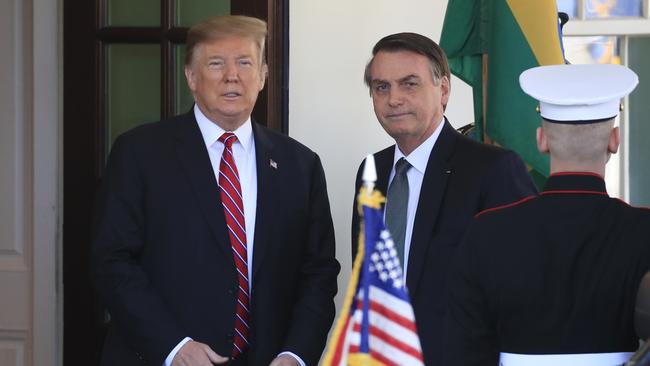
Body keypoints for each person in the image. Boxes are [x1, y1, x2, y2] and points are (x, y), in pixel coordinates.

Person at [93, 15, 339, 366]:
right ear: (191, 77)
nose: (232, 76)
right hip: (159, 356)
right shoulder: (140, 153)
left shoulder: (300, 164)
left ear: (263, 75)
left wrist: (294, 354)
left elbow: (318, 273)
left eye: (244, 62)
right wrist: (173, 347)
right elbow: (111, 261)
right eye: (216, 63)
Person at [443, 63, 650, 366]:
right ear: (613, 140)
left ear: (541, 140)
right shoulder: (643, 230)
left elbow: (463, 349)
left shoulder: (488, 231)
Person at [350, 32, 537, 365]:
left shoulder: (492, 170)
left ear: (444, 90)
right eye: (382, 87)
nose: (393, 99)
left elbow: (524, 290)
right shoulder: (371, 172)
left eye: (409, 84)